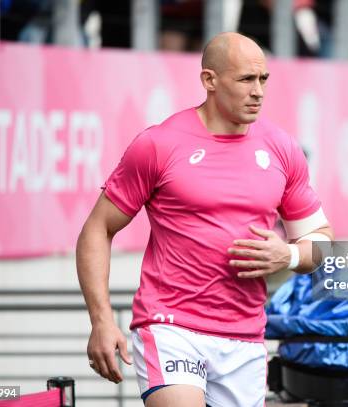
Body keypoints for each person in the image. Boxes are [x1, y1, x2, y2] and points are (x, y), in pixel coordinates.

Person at [76, 31, 334, 407]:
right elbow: (97, 230)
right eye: (246, 79)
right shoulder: (158, 144)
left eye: (263, 79)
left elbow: (323, 241)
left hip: (244, 336)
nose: (258, 91)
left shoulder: (282, 148)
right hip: (170, 325)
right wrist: (101, 319)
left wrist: (290, 256)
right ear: (209, 80)